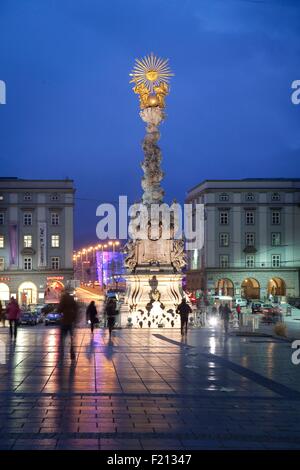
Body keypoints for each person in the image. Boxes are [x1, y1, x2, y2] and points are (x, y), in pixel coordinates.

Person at [58, 290, 78, 360]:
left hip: (65, 320)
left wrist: (59, 310)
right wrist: (75, 317)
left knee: (62, 337)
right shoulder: (72, 299)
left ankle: (61, 352)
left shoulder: (63, 298)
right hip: (71, 320)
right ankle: (72, 351)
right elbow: (76, 308)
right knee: (72, 337)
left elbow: (59, 309)